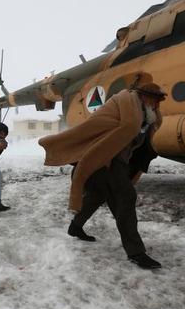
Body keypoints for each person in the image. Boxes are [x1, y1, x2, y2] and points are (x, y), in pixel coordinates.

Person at [39, 82, 166, 270]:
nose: (156, 105)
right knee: (125, 197)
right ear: (144, 96)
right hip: (102, 161)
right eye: (154, 100)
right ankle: (136, 252)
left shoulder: (143, 115)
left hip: (115, 163)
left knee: (98, 195)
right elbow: (114, 130)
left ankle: (75, 227)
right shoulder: (127, 104)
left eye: (158, 102)